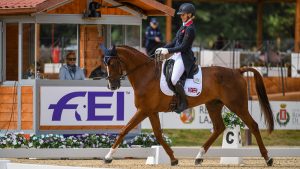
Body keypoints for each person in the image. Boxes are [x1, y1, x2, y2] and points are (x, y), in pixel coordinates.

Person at [155, 3, 196, 113]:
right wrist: (163, 48)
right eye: (181, 14)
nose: (181, 16)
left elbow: (184, 47)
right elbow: (174, 42)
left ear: (189, 14)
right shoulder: (183, 26)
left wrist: (168, 51)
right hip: (176, 55)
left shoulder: (190, 29)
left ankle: (183, 102)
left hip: (184, 57)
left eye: (183, 14)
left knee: (174, 79)